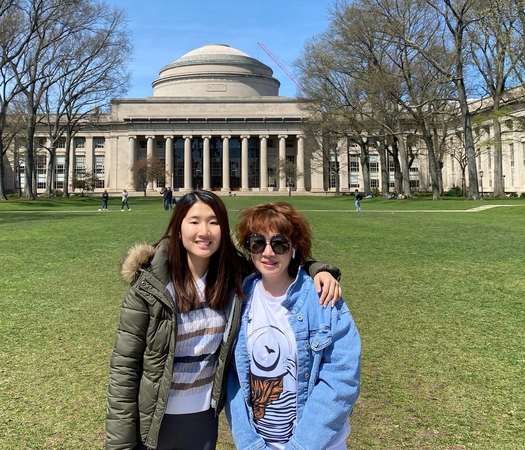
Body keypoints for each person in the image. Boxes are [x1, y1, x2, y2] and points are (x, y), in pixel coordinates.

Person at [106, 191, 343, 450]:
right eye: (194, 221)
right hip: (153, 421)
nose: (204, 231)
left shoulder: (235, 276)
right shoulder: (149, 287)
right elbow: (124, 370)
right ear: (177, 227)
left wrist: (318, 270)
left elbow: (274, 263)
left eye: (214, 222)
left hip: (203, 419)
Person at [226, 202, 361, 450]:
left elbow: (341, 379)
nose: (268, 253)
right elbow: (232, 377)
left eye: (280, 244)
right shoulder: (238, 298)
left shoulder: (323, 299)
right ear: (248, 248)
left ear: (295, 248)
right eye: (257, 243)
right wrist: (250, 444)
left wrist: (301, 446)